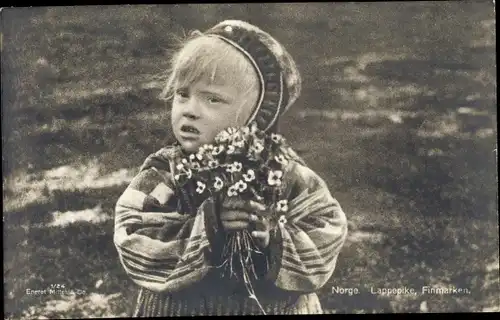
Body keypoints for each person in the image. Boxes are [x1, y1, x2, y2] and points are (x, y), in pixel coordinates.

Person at [113, 20, 348, 316]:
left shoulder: (281, 173)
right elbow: (135, 234)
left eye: (212, 99)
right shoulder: (165, 176)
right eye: (182, 94)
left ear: (256, 114)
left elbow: (325, 230)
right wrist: (210, 226)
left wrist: (272, 237)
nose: (190, 109)